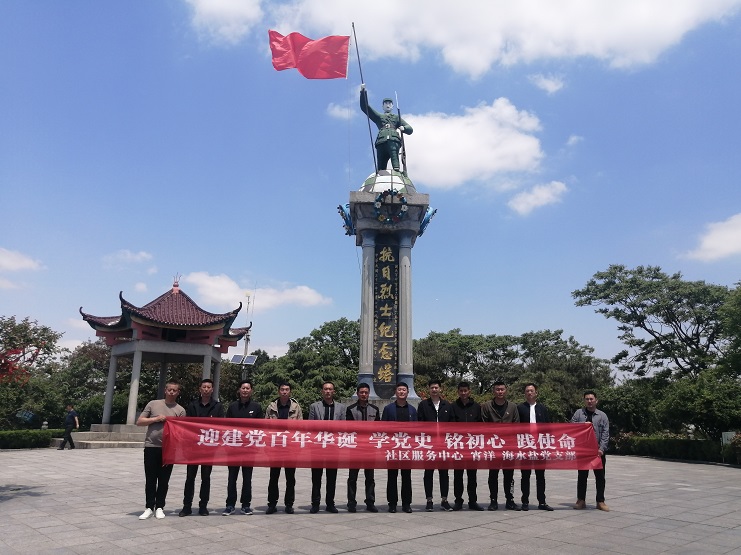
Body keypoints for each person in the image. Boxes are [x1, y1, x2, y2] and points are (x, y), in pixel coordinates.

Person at [136, 380, 186, 520]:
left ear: (178, 392)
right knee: (150, 478)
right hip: (151, 446)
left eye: (174, 390)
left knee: (164, 480)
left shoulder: (180, 410)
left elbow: (181, 431)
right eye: (169, 389)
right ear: (165, 390)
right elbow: (140, 421)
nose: (171, 392)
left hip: (169, 449)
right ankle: (149, 507)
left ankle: (159, 507)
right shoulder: (153, 404)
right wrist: (156, 419)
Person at [178, 378, 224, 517]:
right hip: (194, 447)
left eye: (208, 387)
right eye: (204, 387)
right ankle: (186, 506)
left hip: (209, 448)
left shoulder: (218, 407)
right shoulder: (192, 405)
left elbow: (221, 426)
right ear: (200, 389)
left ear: (212, 389)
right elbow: (187, 425)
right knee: (190, 477)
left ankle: (203, 506)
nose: (206, 389)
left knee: (206, 477)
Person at [223, 380, 263, 516]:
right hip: (233, 448)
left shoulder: (256, 407)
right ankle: (230, 505)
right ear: (239, 390)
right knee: (232, 478)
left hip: (249, 449)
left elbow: (260, 428)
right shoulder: (232, 407)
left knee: (247, 478)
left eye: (247, 388)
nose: (245, 390)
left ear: (251, 391)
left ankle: (246, 505)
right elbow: (226, 427)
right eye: (243, 388)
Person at [481, 381, 520, 511]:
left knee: (509, 475)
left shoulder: (513, 407)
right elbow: (483, 425)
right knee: (493, 475)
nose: (500, 392)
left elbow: (517, 425)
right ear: (494, 391)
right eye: (497, 389)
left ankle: (510, 500)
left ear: (506, 390)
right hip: (493, 447)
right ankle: (493, 500)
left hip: (509, 447)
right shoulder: (486, 406)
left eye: (502, 389)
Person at [308, 381, 346, 513]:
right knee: (316, 477)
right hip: (317, 447)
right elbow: (310, 426)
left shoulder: (341, 408)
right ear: (322, 391)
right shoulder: (314, 406)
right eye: (325, 389)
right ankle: (315, 503)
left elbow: (343, 427)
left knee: (332, 477)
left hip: (333, 448)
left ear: (334, 391)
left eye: (330, 389)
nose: (328, 391)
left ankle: (330, 503)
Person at [265, 381, 302, 514]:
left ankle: (289, 504)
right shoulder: (271, 407)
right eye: (282, 389)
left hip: (290, 447)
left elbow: (300, 427)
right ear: (278, 391)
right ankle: (272, 504)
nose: (284, 392)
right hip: (275, 447)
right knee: (273, 477)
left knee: (290, 478)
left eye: (287, 389)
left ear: (290, 392)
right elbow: (266, 427)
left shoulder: (296, 407)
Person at [417, 379, 454, 511]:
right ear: (429, 389)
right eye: (432, 388)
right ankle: (429, 500)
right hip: (429, 444)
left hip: (443, 444)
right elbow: (419, 423)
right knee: (429, 472)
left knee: (444, 473)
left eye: (436, 388)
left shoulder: (447, 405)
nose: (434, 390)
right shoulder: (423, 405)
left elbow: (452, 424)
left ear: (440, 389)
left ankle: (444, 500)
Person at [359, 84, 413, 173]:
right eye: (386, 103)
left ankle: (396, 172)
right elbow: (365, 107)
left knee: (395, 161)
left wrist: (404, 128)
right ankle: (381, 174)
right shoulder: (379, 117)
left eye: (389, 103)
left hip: (393, 139)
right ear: (383, 106)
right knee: (380, 168)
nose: (388, 105)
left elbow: (410, 129)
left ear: (392, 106)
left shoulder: (396, 117)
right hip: (381, 141)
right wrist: (363, 92)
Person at [516, 383, 554, 511]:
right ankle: (525, 501)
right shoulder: (520, 408)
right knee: (525, 475)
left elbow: (548, 427)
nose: (529, 393)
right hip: (525, 445)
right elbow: (515, 427)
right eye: (527, 391)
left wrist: (548, 444)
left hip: (540, 446)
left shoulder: (542, 408)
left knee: (540, 475)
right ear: (525, 393)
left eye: (532, 391)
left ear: (536, 393)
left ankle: (542, 502)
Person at [381, 382, 417, 513]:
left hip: (407, 448)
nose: (402, 392)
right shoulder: (388, 409)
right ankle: (392, 503)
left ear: (408, 392)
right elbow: (383, 428)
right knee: (392, 476)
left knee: (406, 476)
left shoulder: (412, 410)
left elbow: (416, 429)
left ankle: (406, 503)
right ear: (395, 392)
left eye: (404, 390)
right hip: (393, 447)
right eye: (399, 390)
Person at [571, 390, 610, 511]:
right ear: (584, 401)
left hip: (597, 451)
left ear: (596, 400)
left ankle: (600, 501)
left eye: (591, 399)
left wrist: (601, 449)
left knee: (600, 477)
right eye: (587, 399)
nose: (589, 401)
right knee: (582, 476)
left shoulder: (602, 415)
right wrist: (583, 425)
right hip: (583, 451)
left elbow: (605, 433)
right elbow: (571, 428)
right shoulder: (579, 414)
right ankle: (581, 500)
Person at [345, 382, 380, 513]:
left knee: (370, 477)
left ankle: (370, 502)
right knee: (352, 477)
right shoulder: (350, 409)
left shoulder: (374, 409)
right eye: (361, 392)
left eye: (366, 392)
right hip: (355, 448)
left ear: (369, 394)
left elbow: (378, 429)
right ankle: (351, 503)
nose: (364, 394)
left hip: (370, 449)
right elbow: (348, 429)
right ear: (357, 393)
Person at [450, 381, 485, 511]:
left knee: (472, 475)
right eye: (461, 391)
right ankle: (458, 500)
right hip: (458, 446)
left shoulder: (476, 407)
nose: (463, 393)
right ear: (458, 392)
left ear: (469, 391)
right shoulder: (453, 406)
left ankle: (473, 501)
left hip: (472, 446)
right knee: (458, 475)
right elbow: (450, 425)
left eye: (465, 391)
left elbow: (480, 424)